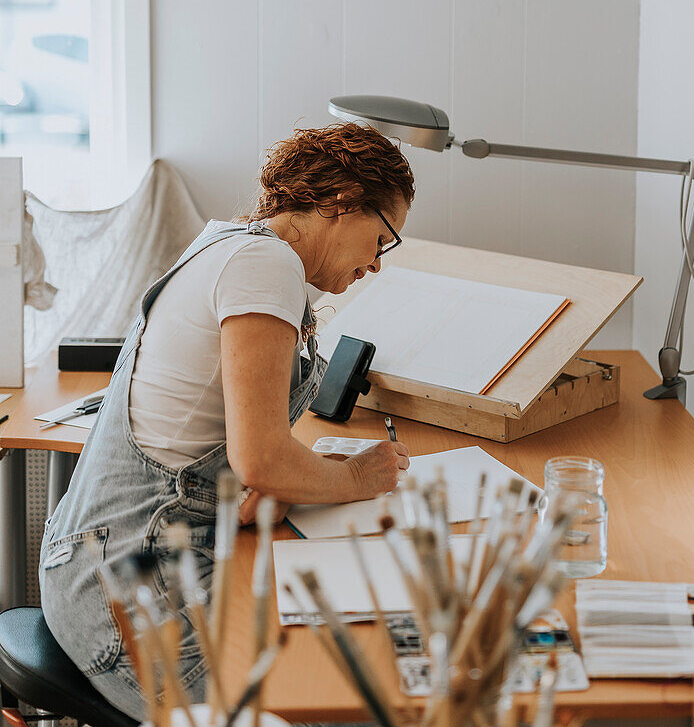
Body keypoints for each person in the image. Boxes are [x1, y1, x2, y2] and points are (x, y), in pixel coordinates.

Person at [39, 122, 414, 719]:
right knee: (321, 696)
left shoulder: (235, 245)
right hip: (126, 590)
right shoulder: (266, 267)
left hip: (115, 561)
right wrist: (356, 479)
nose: (376, 264)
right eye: (384, 238)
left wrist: (271, 483)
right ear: (343, 204)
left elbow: (234, 457)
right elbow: (260, 456)